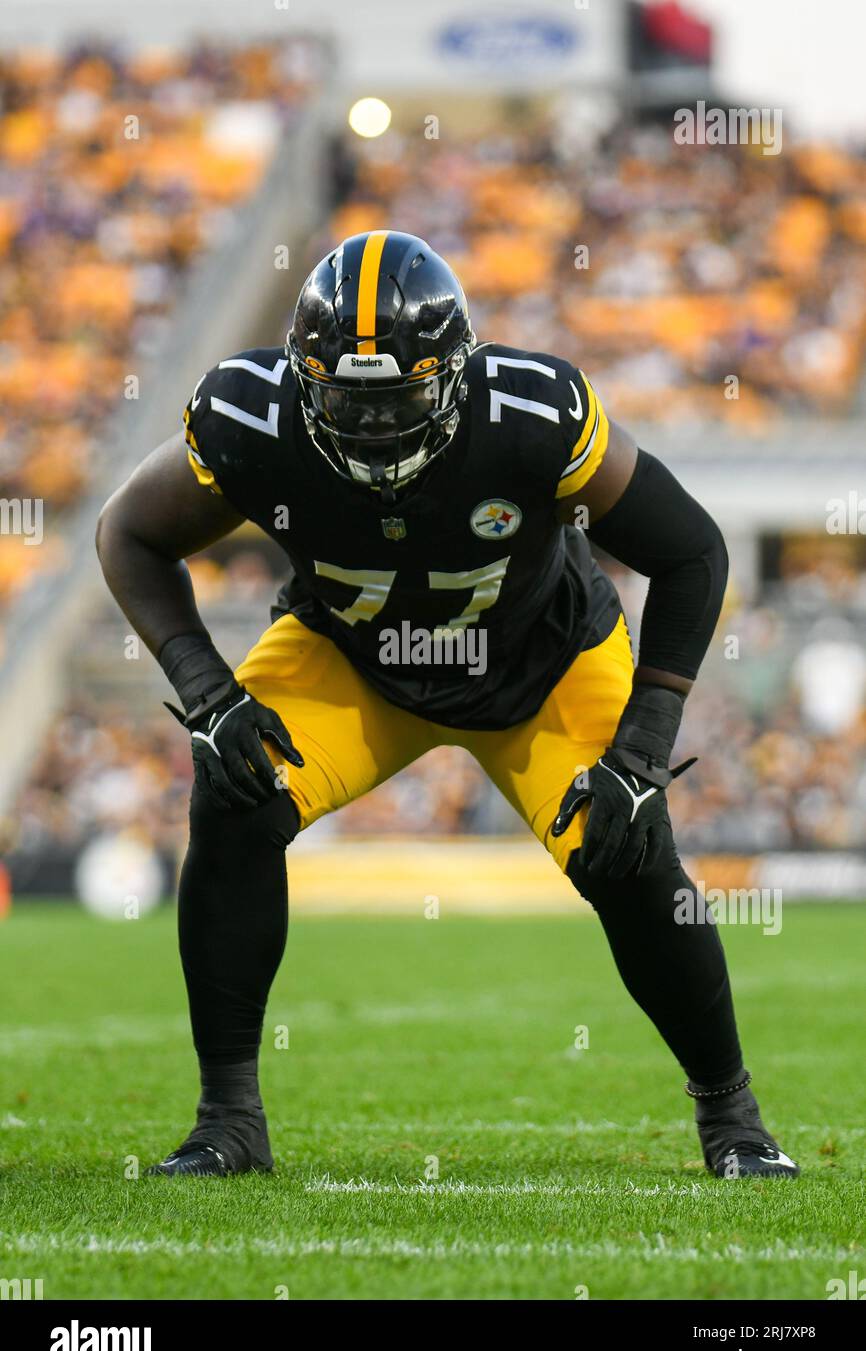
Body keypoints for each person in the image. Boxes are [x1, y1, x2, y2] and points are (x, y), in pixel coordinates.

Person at [96, 230, 798, 1180]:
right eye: (346, 400)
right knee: (235, 792)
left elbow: (693, 551)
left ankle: (733, 1119)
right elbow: (128, 532)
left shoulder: (532, 413)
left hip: (539, 664)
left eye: (400, 399)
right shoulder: (247, 418)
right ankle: (229, 1121)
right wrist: (208, 695)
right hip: (354, 657)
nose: (375, 428)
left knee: (625, 848)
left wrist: (644, 747)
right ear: (303, 383)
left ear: (459, 376)